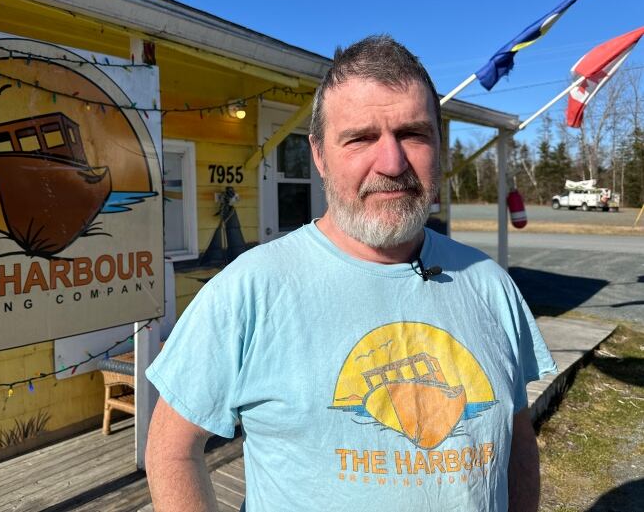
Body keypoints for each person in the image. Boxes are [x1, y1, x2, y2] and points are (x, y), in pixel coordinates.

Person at [145, 35, 556, 512]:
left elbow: (517, 439)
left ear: (439, 146)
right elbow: (172, 451)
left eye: (413, 134)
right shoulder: (248, 289)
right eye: (361, 138)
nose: (392, 162)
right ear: (319, 155)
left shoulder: (490, 282)